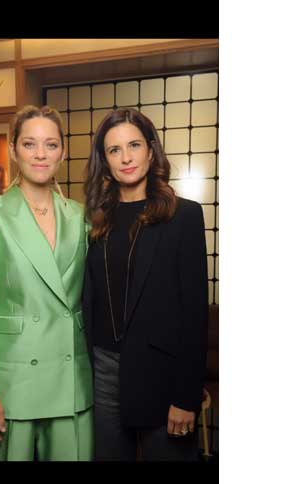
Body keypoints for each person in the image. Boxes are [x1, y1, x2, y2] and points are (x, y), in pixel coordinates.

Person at [0, 105, 93, 461]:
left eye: (51, 144)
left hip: (71, 379)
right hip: (11, 383)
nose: (40, 154)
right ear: (14, 150)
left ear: (63, 151)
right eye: (29, 144)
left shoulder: (81, 216)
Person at [82, 107, 208, 461]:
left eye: (134, 145)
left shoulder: (183, 216)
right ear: (105, 161)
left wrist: (186, 397)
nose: (126, 158)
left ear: (151, 151)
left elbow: (194, 313)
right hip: (103, 372)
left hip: (161, 374)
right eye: (114, 150)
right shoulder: (93, 220)